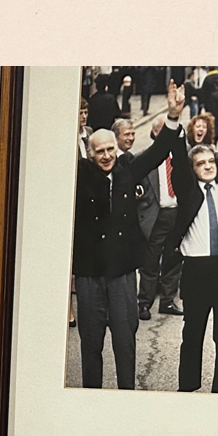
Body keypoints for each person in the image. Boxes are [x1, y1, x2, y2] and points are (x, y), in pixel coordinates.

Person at [72, 86, 187, 387]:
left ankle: (127, 396)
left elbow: (158, 152)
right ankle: (90, 400)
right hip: (89, 275)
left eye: (111, 149)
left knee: (126, 345)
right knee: (91, 346)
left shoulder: (127, 170)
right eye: (100, 151)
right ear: (90, 153)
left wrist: (173, 115)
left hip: (122, 275)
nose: (107, 155)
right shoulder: (81, 175)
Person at [156, 99, 218, 392]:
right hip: (197, 270)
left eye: (211, 161)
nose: (208, 167)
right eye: (200, 164)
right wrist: (174, 117)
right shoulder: (188, 190)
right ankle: (188, 388)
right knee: (194, 333)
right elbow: (177, 155)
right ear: (192, 169)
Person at [136, 116, 186, 322]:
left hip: (177, 213)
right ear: (156, 133)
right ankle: (144, 302)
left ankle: (167, 300)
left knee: (174, 259)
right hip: (156, 215)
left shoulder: (182, 158)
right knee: (150, 260)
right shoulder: (145, 158)